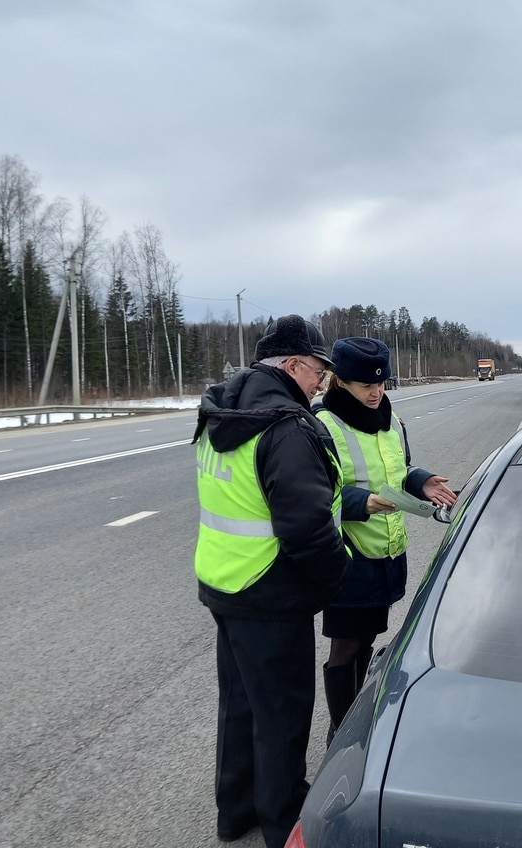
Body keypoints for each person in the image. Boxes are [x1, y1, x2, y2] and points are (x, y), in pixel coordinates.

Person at [192, 314, 350, 847]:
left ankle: (236, 812)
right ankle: (283, 820)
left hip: (224, 582)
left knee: (239, 704)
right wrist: (337, 576)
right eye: (318, 371)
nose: (321, 383)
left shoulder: (221, 411)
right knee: (281, 713)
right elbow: (305, 527)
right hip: (271, 590)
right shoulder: (284, 426)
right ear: (293, 364)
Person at [313, 337, 457, 740]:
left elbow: (399, 470)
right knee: (345, 649)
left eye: (382, 384)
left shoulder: (391, 421)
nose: (376, 392)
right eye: (365, 385)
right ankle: (340, 735)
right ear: (340, 382)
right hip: (347, 556)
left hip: (387, 553)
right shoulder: (322, 425)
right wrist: (364, 502)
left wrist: (422, 480)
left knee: (367, 642)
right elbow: (315, 496)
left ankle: (358, 719)